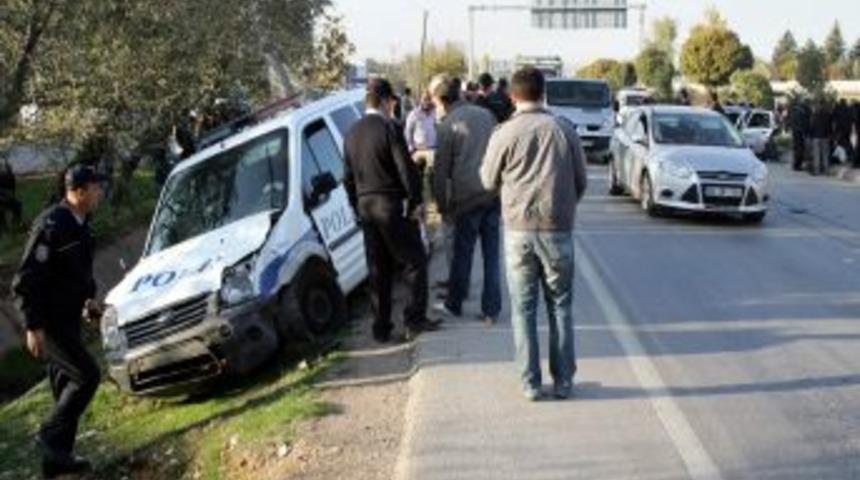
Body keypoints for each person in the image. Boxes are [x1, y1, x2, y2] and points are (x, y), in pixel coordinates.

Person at [480, 67, 587, 401]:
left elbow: (486, 180)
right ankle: (564, 382)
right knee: (561, 307)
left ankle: (530, 384)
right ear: (543, 93)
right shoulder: (563, 129)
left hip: (518, 232)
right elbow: (581, 180)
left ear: (513, 96)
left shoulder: (504, 133)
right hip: (558, 230)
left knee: (523, 310)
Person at [11, 165, 105, 478]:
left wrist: (88, 302)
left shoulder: (83, 225)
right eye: (95, 187)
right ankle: (48, 435)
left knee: (65, 386)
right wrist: (32, 326)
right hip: (48, 323)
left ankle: (56, 462)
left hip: (68, 318)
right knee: (87, 376)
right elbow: (26, 279)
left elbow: (77, 276)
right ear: (78, 191)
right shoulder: (51, 224)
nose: (100, 192)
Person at [343, 78, 442, 343]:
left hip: (366, 207)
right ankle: (414, 319)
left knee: (378, 268)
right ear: (387, 101)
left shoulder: (351, 133)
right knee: (414, 261)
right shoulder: (390, 127)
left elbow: (348, 177)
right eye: (392, 102)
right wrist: (416, 201)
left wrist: (356, 206)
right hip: (390, 205)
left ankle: (381, 328)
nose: (393, 106)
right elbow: (404, 168)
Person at [428, 74, 501, 325]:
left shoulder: (448, 125)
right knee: (492, 256)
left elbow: (440, 173)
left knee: (463, 254)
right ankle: (491, 310)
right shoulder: (486, 116)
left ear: (441, 101)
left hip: (467, 199)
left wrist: (442, 206)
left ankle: (454, 304)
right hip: (492, 194)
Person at [0, 155, 23, 234]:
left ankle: (15, 225)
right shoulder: (5, 177)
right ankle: (5, 229)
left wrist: (8, 197)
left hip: (6, 198)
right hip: (3, 199)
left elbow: (12, 191)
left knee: (17, 205)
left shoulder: (11, 177)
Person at [810, 100, 833, 175]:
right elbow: (830, 126)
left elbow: (812, 125)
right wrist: (830, 134)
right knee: (825, 154)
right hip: (825, 136)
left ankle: (816, 171)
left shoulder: (815, 114)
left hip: (816, 136)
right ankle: (826, 170)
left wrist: (811, 135)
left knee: (816, 154)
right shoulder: (828, 114)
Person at [789, 99, 811, 171]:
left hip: (795, 132)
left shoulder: (794, 111)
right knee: (800, 149)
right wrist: (805, 131)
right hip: (800, 132)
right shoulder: (802, 113)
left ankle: (796, 164)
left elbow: (791, 122)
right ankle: (798, 165)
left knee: (796, 148)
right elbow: (804, 123)